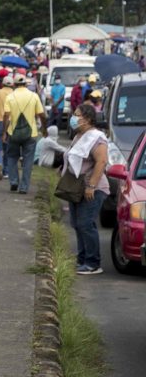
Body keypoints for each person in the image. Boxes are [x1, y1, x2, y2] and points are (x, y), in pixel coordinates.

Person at [63, 104, 110, 275]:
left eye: (77, 115)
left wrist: (91, 185)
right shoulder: (79, 136)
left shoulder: (97, 138)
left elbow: (101, 162)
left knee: (85, 223)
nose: (73, 118)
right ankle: (82, 259)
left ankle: (93, 263)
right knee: (76, 224)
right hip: (76, 187)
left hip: (93, 188)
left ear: (88, 118)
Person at [3, 73, 47, 195]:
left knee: (12, 157)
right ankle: (24, 187)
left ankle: (13, 181)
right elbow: (42, 114)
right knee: (28, 161)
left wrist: (4, 132)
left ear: (14, 84)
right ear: (26, 84)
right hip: (31, 133)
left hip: (13, 132)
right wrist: (44, 129)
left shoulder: (10, 97)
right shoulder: (34, 96)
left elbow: (6, 116)